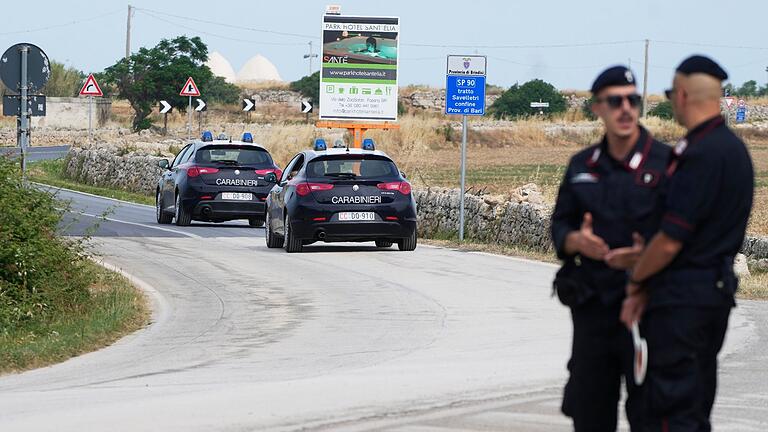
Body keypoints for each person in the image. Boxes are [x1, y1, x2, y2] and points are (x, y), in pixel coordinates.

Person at [620, 55, 754, 431]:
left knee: (670, 411)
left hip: (683, 301)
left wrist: (636, 280)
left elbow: (671, 240)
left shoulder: (701, 154)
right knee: (690, 407)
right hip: (707, 293)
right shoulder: (732, 149)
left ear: (682, 95)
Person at [551, 66, 671, 431]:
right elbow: (560, 225)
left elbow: (684, 233)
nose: (625, 109)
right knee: (589, 415)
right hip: (594, 312)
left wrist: (646, 256)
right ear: (596, 108)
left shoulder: (666, 163)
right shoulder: (581, 166)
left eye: (633, 100)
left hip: (650, 312)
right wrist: (576, 241)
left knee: (652, 416)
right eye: (615, 101)